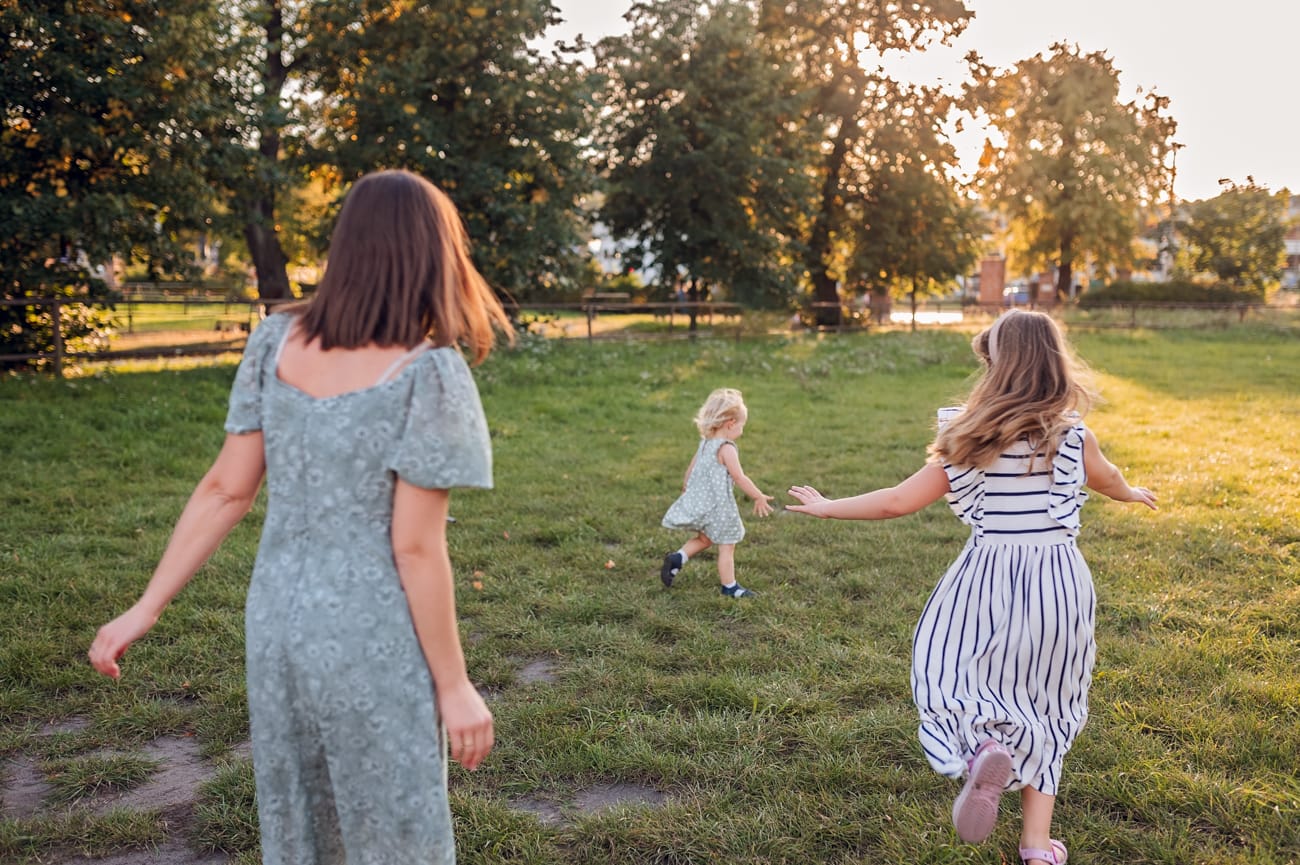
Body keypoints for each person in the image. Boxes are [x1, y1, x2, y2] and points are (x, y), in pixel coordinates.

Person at [88, 169, 513, 865]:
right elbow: (413, 549)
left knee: (303, 823)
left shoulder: (274, 341)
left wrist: (146, 606)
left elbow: (226, 489)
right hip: (372, 636)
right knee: (397, 830)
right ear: (433, 253)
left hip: (279, 625)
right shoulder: (431, 373)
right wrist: (455, 684)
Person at [786, 309, 1156, 865]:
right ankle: (1035, 846)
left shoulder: (968, 437)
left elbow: (895, 501)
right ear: (1055, 363)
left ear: (993, 364)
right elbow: (1110, 480)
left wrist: (827, 508)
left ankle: (983, 746)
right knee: (1049, 704)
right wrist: (1131, 495)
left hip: (984, 581)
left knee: (952, 670)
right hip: (1058, 586)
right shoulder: (1076, 436)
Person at [660, 387, 775, 597]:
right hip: (719, 507)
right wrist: (758, 495)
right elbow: (739, 477)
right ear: (731, 423)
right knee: (727, 547)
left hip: (703, 503)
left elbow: (691, 469)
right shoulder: (726, 448)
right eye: (742, 425)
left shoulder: (706, 444)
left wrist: (687, 489)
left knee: (704, 539)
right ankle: (730, 587)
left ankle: (678, 558)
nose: (742, 430)